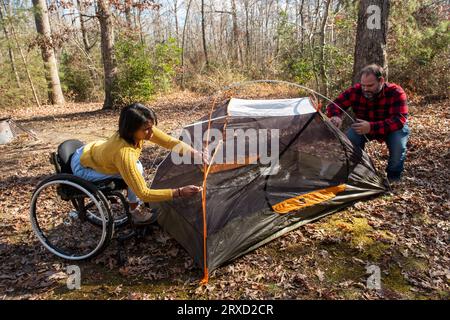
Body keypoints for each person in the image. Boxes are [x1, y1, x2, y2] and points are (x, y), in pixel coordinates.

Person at [70, 103, 206, 224]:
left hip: (91, 151)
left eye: (152, 126)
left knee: (136, 168)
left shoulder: (138, 131)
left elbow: (170, 142)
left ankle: (133, 206)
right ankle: (134, 210)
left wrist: (196, 154)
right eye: (146, 129)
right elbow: (143, 193)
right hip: (84, 167)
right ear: (131, 129)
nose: (152, 132)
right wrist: (180, 192)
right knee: (135, 170)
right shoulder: (124, 153)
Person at [326, 64, 410, 182]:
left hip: (391, 128)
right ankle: (357, 174)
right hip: (364, 127)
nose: (365, 89)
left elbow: (399, 120)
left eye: (370, 85)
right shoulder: (356, 91)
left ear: (381, 81)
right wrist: (336, 116)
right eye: (363, 85)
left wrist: (371, 127)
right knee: (350, 141)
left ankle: (393, 177)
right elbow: (334, 104)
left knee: (398, 148)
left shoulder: (396, 92)